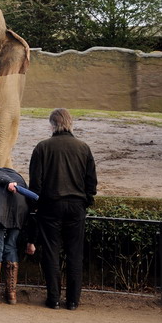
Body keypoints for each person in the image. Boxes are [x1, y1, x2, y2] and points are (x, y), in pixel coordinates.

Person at [28, 108, 98, 311]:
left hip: (50, 206)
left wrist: (35, 206)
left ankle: (54, 299)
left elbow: (36, 184)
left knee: (51, 253)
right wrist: (86, 201)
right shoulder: (83, 148)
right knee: (75, 253)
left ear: (52, 125)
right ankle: (73, 301)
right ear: (70, 124)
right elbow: (91, 182)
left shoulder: (42, 147)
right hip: (76, 206)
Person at [0, 166, 31, 305]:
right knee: (11, 246)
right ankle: (11, 294)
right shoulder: (20, 179)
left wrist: (7, 182)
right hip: (19, 208)